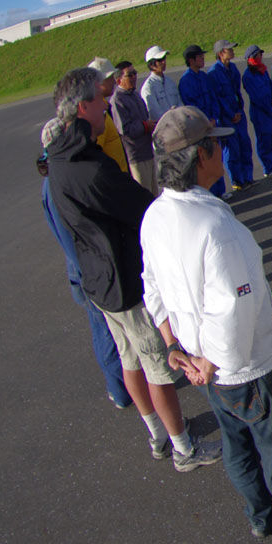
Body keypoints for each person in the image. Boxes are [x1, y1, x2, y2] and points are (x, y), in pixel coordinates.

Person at [141, 106, 272, 544]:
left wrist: (174, 345)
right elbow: (232, 306)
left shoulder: (155, 215)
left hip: (198, 359)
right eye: (215, 144)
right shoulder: (215, 226)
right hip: (238, 365)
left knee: (237, 444)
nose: (222, 150)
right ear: (201, 155)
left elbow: (151, 284)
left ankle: (260, 515)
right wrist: (213, 361)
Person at [42, 67, 221, 472]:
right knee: (158, 368)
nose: (105, 106)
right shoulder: (88, 167)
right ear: (82, 107)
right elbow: (143, 208)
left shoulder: (59, 160)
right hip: (123, 283)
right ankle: (183, 448)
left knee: (130, 360)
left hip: (98, 283)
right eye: (98, 99)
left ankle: (157, 432)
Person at [38, 154, 131, 408]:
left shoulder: (53, 184)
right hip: (89, 275)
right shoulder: (59, 186)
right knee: (108, 334)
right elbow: (73, 241)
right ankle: (122, 390)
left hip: (84, 273)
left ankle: (121, 388)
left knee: (107, 332)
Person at [178, 45, 227, 197]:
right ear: (191, 60)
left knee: (215, 156)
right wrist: (205, 121)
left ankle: (220, 191)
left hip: (212, 124)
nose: (203, 59)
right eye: (199, 57)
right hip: (200, 128)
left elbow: (213, 98)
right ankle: (210, 193)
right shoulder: (186, 81)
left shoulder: (204, 77)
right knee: (204, 160)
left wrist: (214, 117)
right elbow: (191, 107)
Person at [209, 39, 255, 190]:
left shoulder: (233, 68)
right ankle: (237, 180)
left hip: (238, 112)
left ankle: (248, 177)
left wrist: (239, 109)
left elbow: (237, 91)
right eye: (229, 49)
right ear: (221, 53)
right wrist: (230, 114)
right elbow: (218, 98)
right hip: (226, 117)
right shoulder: (214, 73)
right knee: (232, 148)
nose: (232, 51)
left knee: (245, 145)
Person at [109, 60, 157, 193]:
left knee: (154, 194)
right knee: (144, 195)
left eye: (135, 73)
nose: (134, 77)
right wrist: (145, 126)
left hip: (148, 152)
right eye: (130, 75)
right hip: (136, 156)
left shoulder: (135, 95)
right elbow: (124, 129)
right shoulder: (117, 100)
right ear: (119, 80)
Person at [241, 45, 272, 178]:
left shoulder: (263, 70)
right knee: (264, 140)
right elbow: (256, 96)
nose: (261, 56)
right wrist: (268, 108)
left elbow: (271, 87)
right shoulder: (248, 76)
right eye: (258, 54)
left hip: (269, 110)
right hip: (260, 113)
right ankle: (268, 169)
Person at [86, 57, 130, 174]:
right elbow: (98, 153)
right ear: (98, 83)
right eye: (110, 78)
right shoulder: (97, 115)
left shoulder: (105, 107)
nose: (114, 81)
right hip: (114, 177)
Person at [140, 45, 181, 120]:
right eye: (160, 60)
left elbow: (180, 103)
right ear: (151, 65)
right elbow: (154, 113)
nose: (164, 62)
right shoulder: (148, 87)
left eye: (164, 58)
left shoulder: (170, 82)